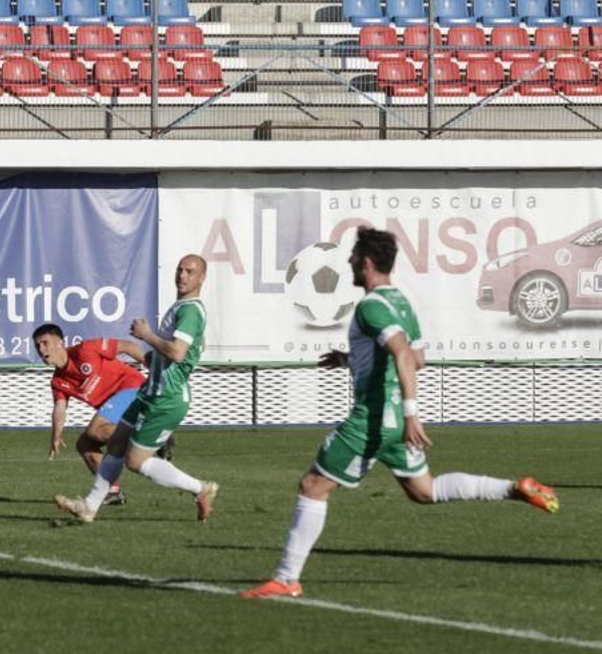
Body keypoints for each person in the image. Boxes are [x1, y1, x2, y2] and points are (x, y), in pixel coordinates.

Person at [242, 229, 558, 599]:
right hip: (393, 421)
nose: (349, 263)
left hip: (373, 419)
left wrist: (412, 414)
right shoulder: (403, 302)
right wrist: (351, 359)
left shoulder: (371, 305)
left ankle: (285, 578)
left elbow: (404, 355)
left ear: (366, 262)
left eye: (354, 257)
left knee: (312, 487)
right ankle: (513, 488)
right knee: (424, 490)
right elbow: (417, 357)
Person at [54, 255, 220, 524]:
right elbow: (174, 354)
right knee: (116, 443)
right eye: (179, 270)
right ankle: (89, 507)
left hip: (167, 398)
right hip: (149, 392)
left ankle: (201, 488)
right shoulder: (180, 307)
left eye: (190, 271)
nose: (182, 276)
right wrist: (153, 358)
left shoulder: (190, 310)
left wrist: (147, 336)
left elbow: (177, 352)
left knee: (135, 461)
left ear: (202, 277)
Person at [32, 323, 150, 508]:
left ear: (60, 343)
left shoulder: (85, 350)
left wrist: (156, 372)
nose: (41, 349)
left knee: (95, 429)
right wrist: (56, 435)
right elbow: (59, 409)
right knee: (85, 444)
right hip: (117, 407)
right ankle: (112, 491)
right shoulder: (58, 381)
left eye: (45, 343)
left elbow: (128, 346)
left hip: (134, 388)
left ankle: (147, 437)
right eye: (37, 346)